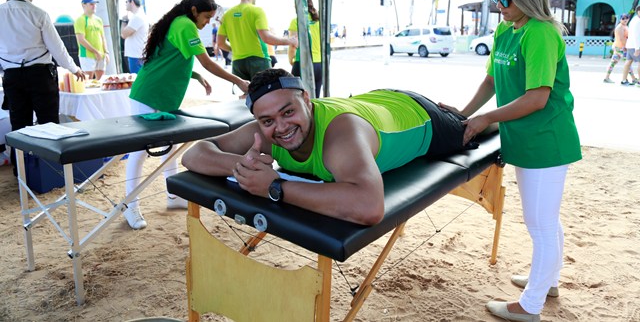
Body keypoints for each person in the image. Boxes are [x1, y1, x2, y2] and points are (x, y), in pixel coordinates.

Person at [439, 0, 581, 322]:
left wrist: (487, 118)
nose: (499, 7)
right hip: (523, 138)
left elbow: (537, 97)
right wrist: (464, 113)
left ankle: (530, 305)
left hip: (546, 140)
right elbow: (491, 82)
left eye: (506, 0)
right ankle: (547, 280)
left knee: (541, 224)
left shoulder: (541, 33)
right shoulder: (507, 30)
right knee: (546, 220)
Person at [182, 68, 482, 226]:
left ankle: (487, 117)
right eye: (268, 120)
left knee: (470, 127)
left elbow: (369, 207)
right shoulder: (266, 134)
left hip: (419, 115)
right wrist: (241, 168)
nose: (282, 127)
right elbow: (194, 153)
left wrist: (275, 187)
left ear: (307, 100)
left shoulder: (340, 135)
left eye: (289, 112)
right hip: (373, 101)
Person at [123, 0, 250, 230]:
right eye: (206, 17)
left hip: (165, 95)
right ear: (194, 11)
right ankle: (130, 206)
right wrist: (240, 81)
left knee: (169, 147)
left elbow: (170, 57)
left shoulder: (180, 23)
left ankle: (173, 196)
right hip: (148, 95)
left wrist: (196, 76)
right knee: (139, 152)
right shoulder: (185, 25)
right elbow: (208, 61)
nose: (207, 23)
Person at [0, 0, 84, 169]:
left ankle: (21, 169)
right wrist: (73, 68)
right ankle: (50, 166)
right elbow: (57, 47)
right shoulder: (38, 13)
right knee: (48, 123)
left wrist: (5, 69)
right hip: (40, 74)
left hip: (12, 75)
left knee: (19, 124)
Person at [216, 0, 297, 80]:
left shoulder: (227, 14)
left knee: (244, 93)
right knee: (264, 93)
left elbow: (220, 43)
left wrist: (237, 49)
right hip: (259, 60)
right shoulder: (257, 11)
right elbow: (266, 38)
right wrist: (289, 41)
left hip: (238, 62)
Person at [288, 0, 323, 98]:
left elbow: (293, 44)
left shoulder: (296, 21)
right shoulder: (318, 20)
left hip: (301, 63)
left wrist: (291, 59)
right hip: (318, 64)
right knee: (315, 100)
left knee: (298, 98)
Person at [74, 0, 108, 80]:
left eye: (95, 4)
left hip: (101, 55)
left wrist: (106, 52)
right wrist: (95, 51)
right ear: (83, 5)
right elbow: (81, 39)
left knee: (101, 80)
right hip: (87, 55)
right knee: (88, 80)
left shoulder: (98, 20)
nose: (94, 6)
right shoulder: (80, 19)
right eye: (91, 4)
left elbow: (103, 37)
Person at [120, 0, 149, 74]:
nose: (125, 4)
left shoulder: (137, 17)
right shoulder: (139, 16)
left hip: (136, 55)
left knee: (137, 79)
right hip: (137, 54)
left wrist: (124, 21)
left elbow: (123, 34)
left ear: (132, 2)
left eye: (126, 2)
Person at [603, 13, 635, 83]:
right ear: (620, 19)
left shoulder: (625, 26)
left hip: (619, 47)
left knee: (613, 63)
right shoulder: (620, 27)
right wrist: (625, 47)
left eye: (626, 18)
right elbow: (621, 39)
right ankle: (633, 78)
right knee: (627, 63)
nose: (625, 20)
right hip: (621, 48)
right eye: (623, 18)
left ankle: (606, 77)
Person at [620, 5, 640, 86]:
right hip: (635, 46)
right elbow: (636, 36)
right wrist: (637, 48)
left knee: (628, 62)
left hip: (630, 45)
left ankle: (624, 80)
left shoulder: (634, 20)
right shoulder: (638, 21)